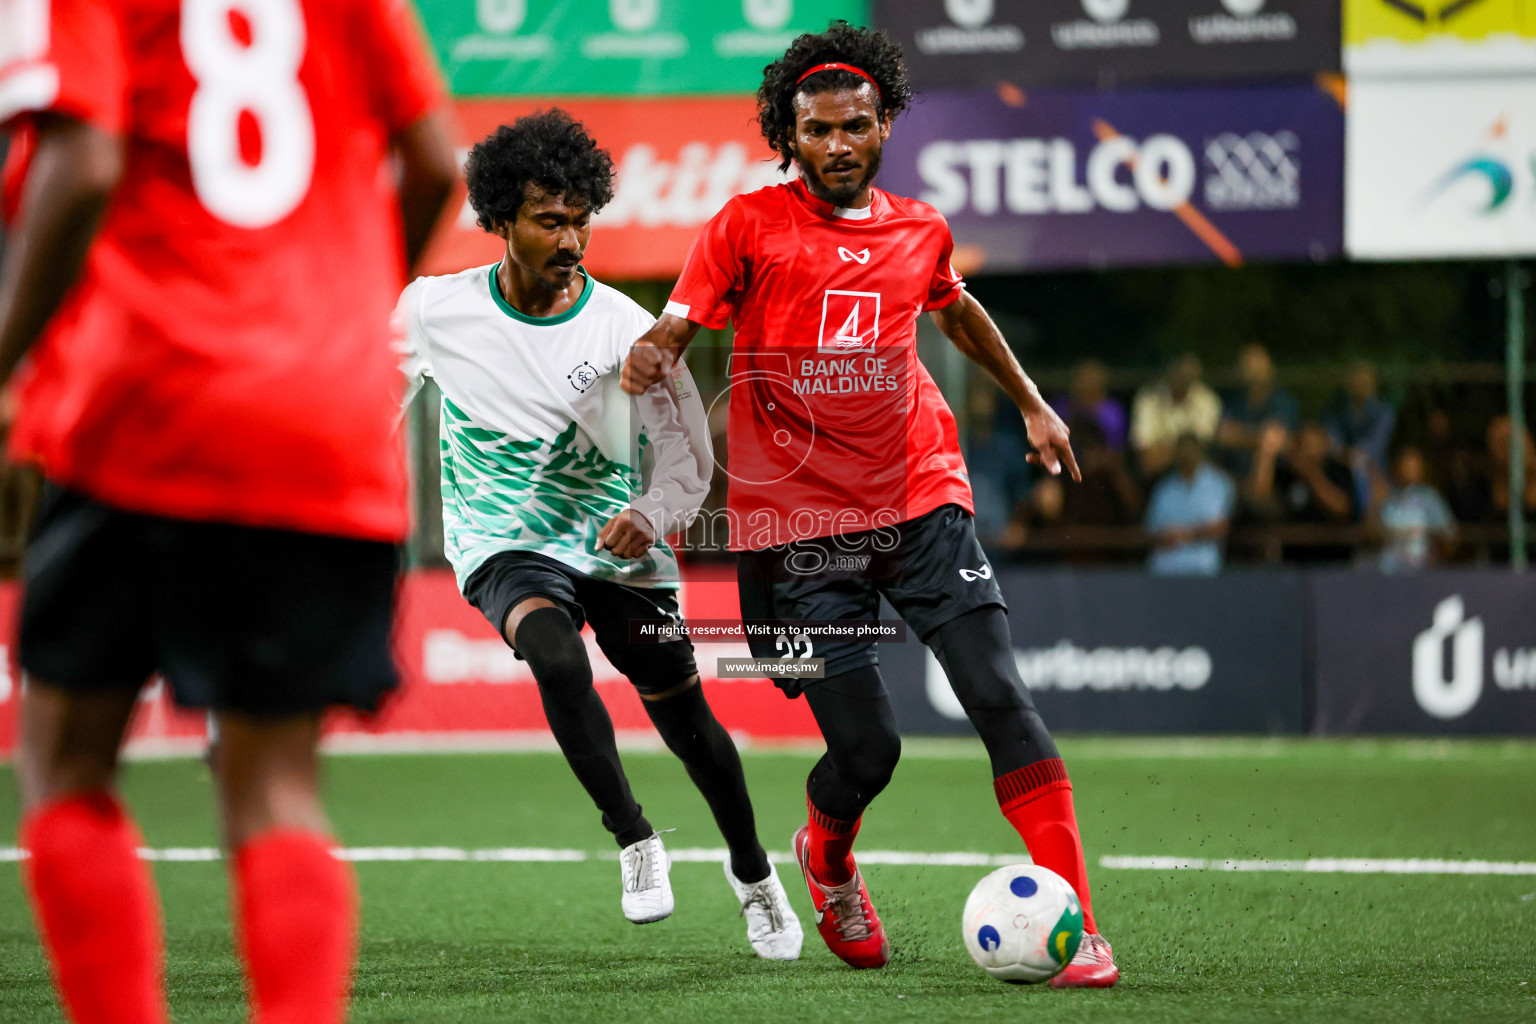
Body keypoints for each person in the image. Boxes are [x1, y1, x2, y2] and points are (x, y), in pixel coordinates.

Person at [622, 22, 1117, 987]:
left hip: (921, 495)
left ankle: (1080, 927)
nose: (839, 145)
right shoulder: (744, 228)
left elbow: (956, 306)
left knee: (1000, 698)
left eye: (856, 126)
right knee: (869, 750)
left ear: (884, 121)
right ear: (788, 133)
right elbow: (674, 333)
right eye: (817, 130)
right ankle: (829, 859)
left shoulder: (919, 227)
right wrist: (653, 361)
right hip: (801, 529)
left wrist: (1032, 403)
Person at [0, 2, 457, 1022]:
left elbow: (81, 162)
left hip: (148, 401)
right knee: (275, 787)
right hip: (319, 425)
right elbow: (434, 159)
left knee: (67, 766)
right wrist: (336, 304)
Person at [397, 111, 801, 958]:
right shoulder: (436, 311)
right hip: (503, 541)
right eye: (550, 220)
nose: (572, 238)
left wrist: (650, 514)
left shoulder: (627, 327)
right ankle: (634, 838)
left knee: (692, 729)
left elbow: (690, 461)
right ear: (500, 218)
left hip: (621, 548)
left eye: (583, 219)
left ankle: (754, 874)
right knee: (554, 655)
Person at [1246, 421, 1358, 562]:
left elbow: (1342, 509)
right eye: (1302, 444)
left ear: (1325, 445)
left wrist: (1311, 475)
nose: (1306, 451)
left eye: (1312, 445)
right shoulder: (1286, 473)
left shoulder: (1338, 471)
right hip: (1290, 559)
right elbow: (1258, 500)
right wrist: (1266, 455)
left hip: (1332, 559)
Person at [1144, 434, 1234, 576]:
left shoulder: (1218, 483)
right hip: (1165, 570)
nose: (1186, 454)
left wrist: (1187, 535)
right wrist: (1164, 538)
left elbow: (1220, 528)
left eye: (1190, 449)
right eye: (1182, 450)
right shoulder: (1164, 488)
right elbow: (1150, 531)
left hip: (1203, 568)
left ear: (1200, 451)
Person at [1130, 353, 1221, 479]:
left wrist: (1163, 449)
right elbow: (1147, 458)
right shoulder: (1148, 398)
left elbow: (1199, 451)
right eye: (1180, 370)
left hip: (1196, 474)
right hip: (1156, 476)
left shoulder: (1208, 400)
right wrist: (1182, 450)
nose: (1184, 376)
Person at [1215, 343, 1298, 477]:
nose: (1253, 371)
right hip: (1233, 466)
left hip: (1277, 473)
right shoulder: (1232, 399)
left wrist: (1241, 435)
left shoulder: (1283, 401)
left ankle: (1257, 497)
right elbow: (1223, 435)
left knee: (1266, 452)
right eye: (1247, 365)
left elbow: (1274, 439)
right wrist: (1257, 437)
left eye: (1258, 365)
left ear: (1270, 369)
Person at [1373, 445, 1457, 572]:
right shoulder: (1387, 498)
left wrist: (1437, 551)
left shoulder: (1430, 498)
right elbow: (1373, 534)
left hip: (1422, 572)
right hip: (1390, 573)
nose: (1409, 469)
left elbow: (1449, 535)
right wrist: (1375, 503)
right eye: (1406, 465)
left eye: (1414, 465)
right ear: (1398, 467)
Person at [1052, 358, 1128, 453]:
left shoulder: (1113, 412)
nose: (1085, 384)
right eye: (1082, 379)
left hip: (1102, 462)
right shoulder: (1062, 408)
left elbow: (1115, 447)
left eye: (1091, 380)